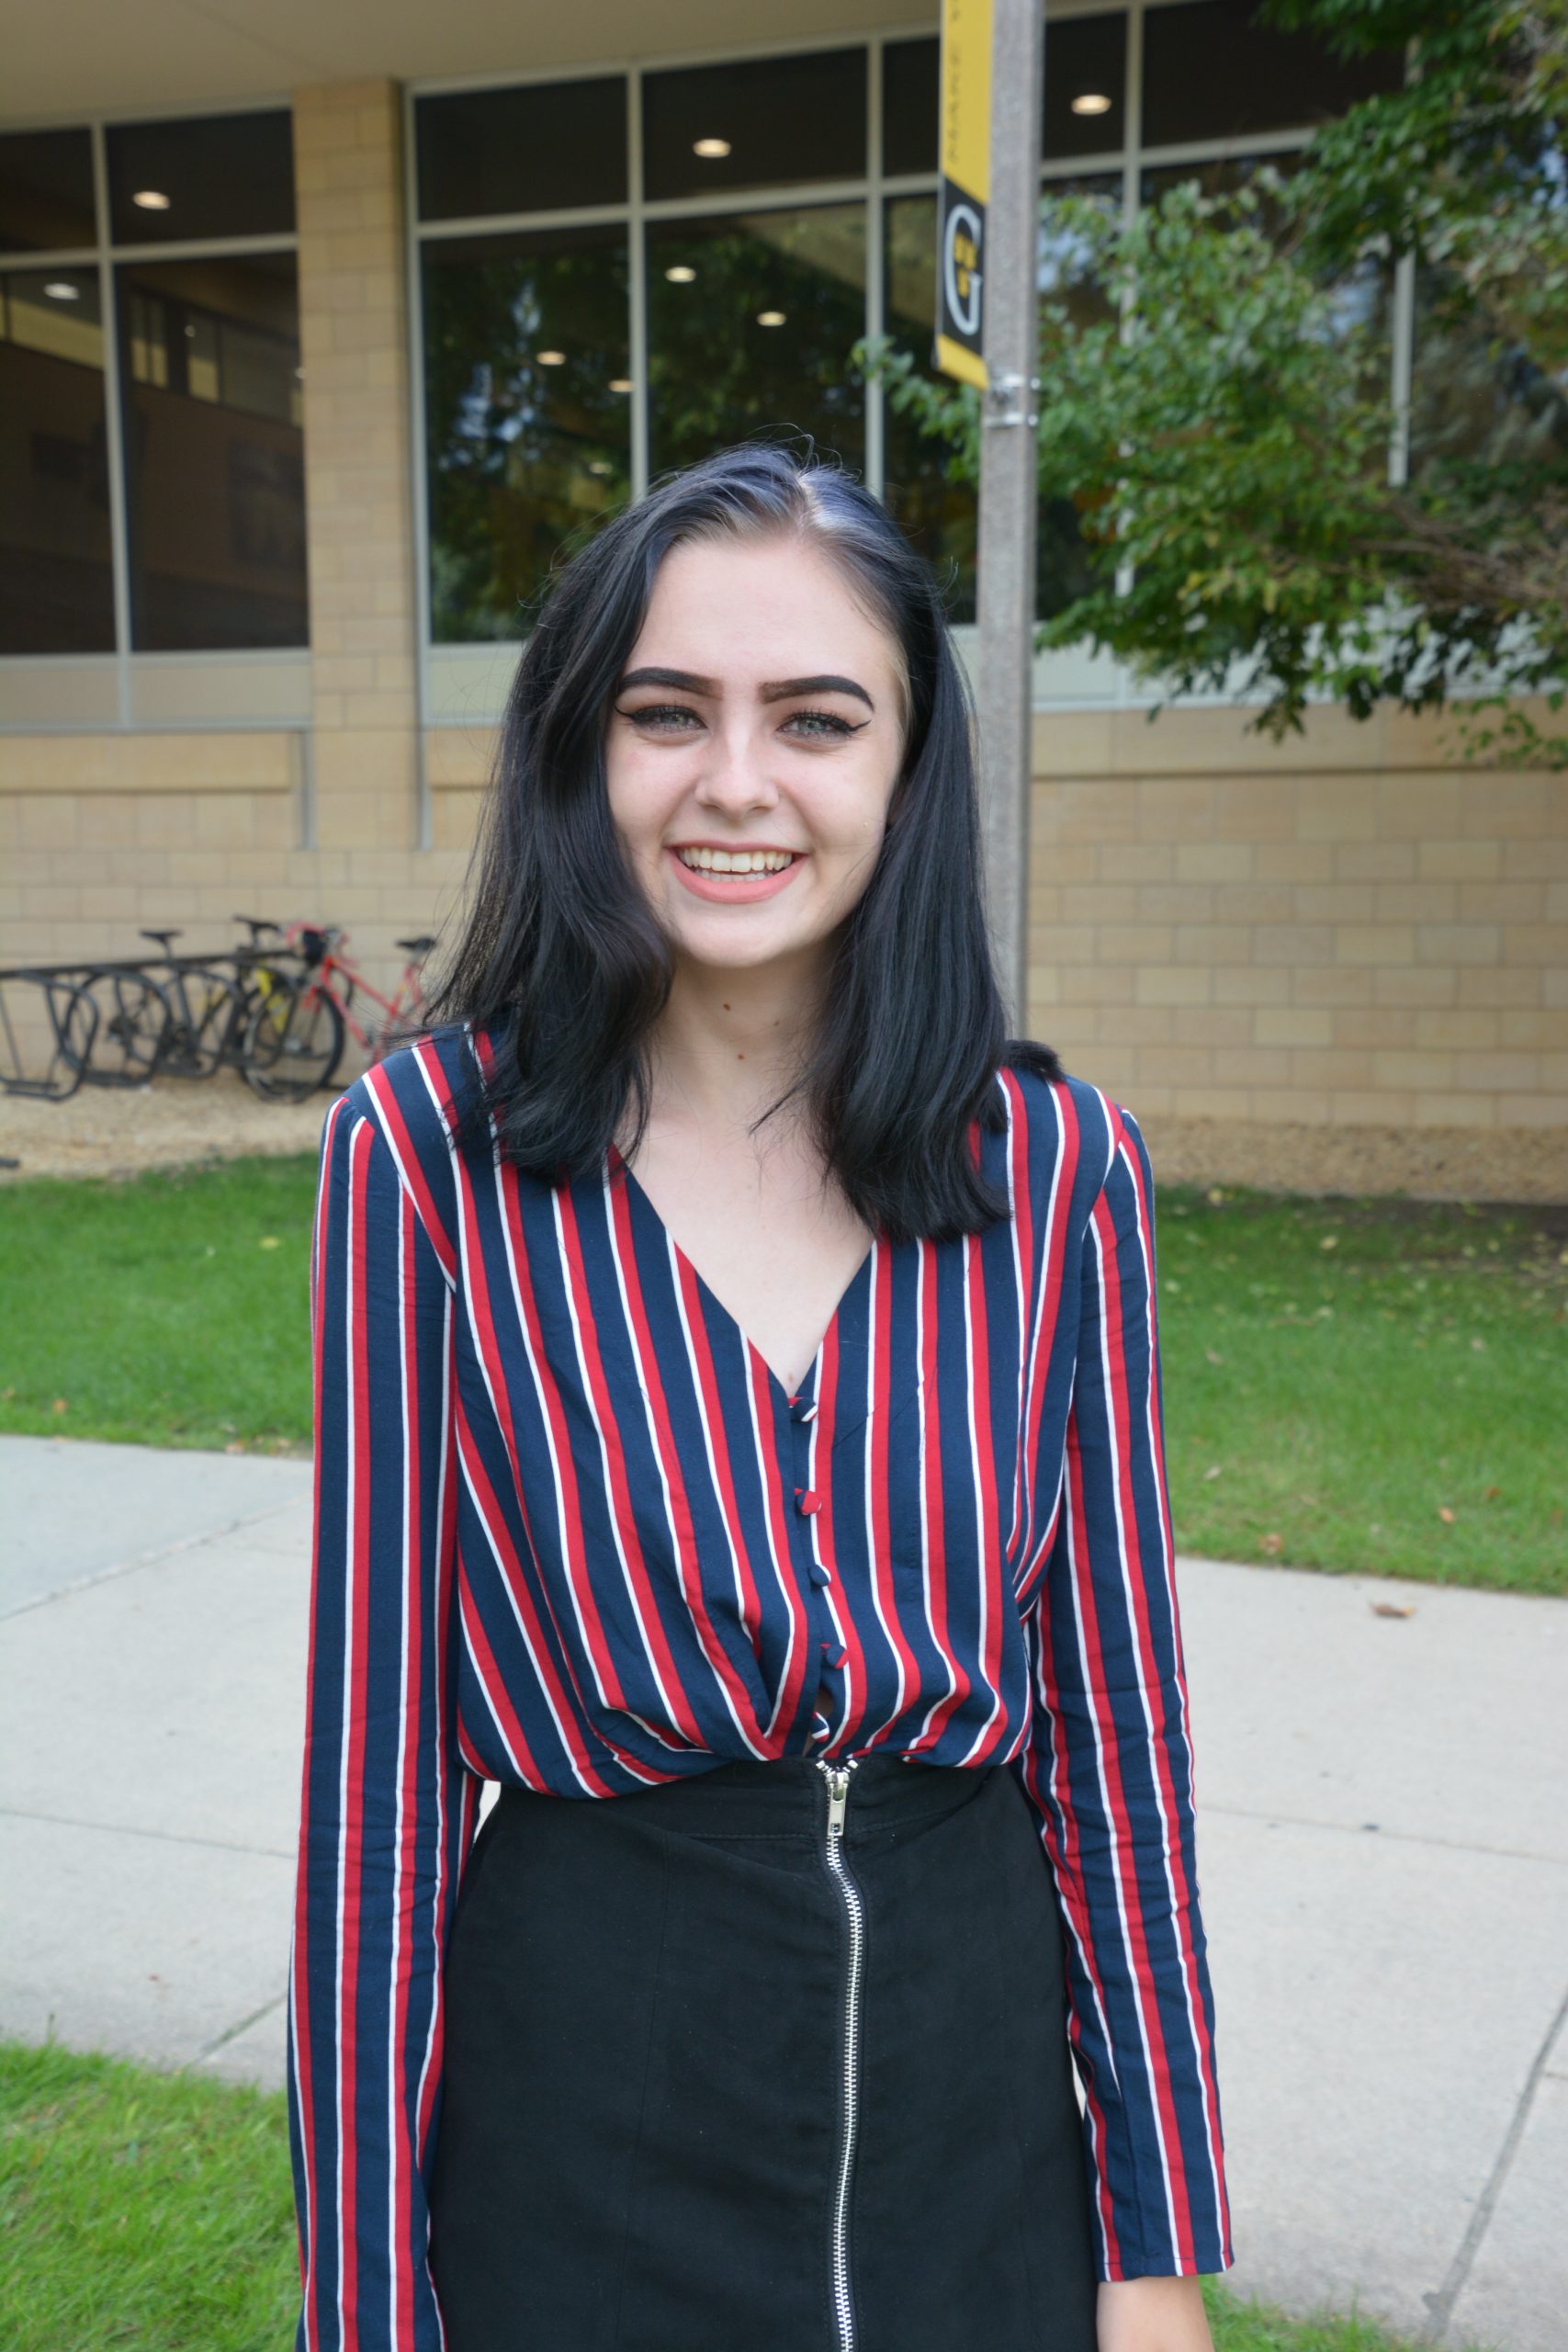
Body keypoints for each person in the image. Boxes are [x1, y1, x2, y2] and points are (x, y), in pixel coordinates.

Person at [286, 444, 1233, 2352]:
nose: (734, 781)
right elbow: (373, 1791)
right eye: (665, 713)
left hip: (971, 2112)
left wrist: (1150, 2247)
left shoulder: (1058, 1172)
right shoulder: (426, 1158)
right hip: (585, 2100)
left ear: (904, 762)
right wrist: (367, 2301)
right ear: (584, 750)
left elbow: (1115, 1741)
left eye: (814, 716)